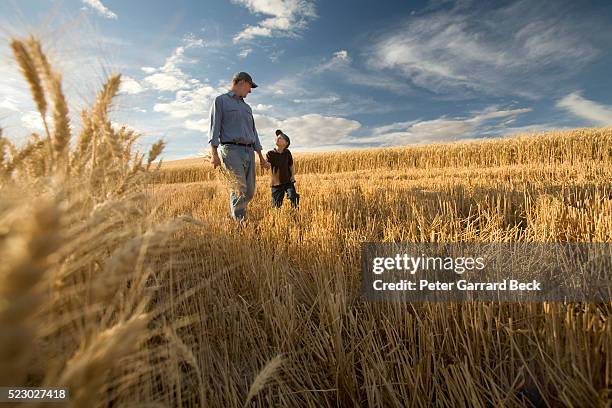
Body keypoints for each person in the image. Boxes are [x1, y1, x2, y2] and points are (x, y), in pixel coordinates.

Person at [208, 72, 270, 221]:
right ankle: (239, 224)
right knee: (239, 189)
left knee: (249, 191)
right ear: (241, 82)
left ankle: (236, 217)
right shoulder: (220, 101)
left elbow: (253, 132)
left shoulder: (247, 108)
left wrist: (261, 157)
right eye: (250, 86)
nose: (250, 91)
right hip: (231, 150)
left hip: (249, 151)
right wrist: (214, 154)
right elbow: (214, 127)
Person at [266, 129, 299, 208]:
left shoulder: (287, 152)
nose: (278, 138)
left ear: (286, 143)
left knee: (293, 196)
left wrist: (292, 176)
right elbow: (267, 165)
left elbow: (291, 165)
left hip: (288, 181)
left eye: (281, 138)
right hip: (276, 183)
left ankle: (295, 212)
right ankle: (277, 217)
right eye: (277, 137)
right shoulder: (270, 153)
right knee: (276, 205)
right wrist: (265, 164)